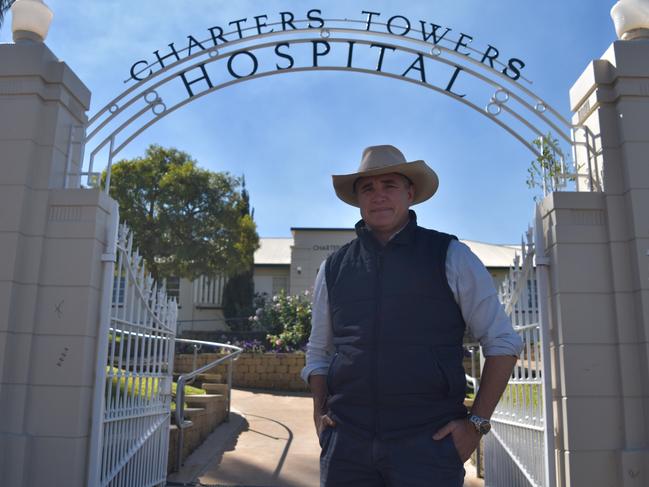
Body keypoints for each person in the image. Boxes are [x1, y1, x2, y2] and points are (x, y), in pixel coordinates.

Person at [301, 145, 524, 487]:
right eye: (368, 188)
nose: (378, 196)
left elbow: (503, 343)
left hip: (428, 447)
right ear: (358, 199)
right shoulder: (334, 268)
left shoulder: (452, 256)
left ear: (410, 193)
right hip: (346, 448)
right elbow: (319, 351)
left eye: (389, 185)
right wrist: (320, 415)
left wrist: (476, 425)